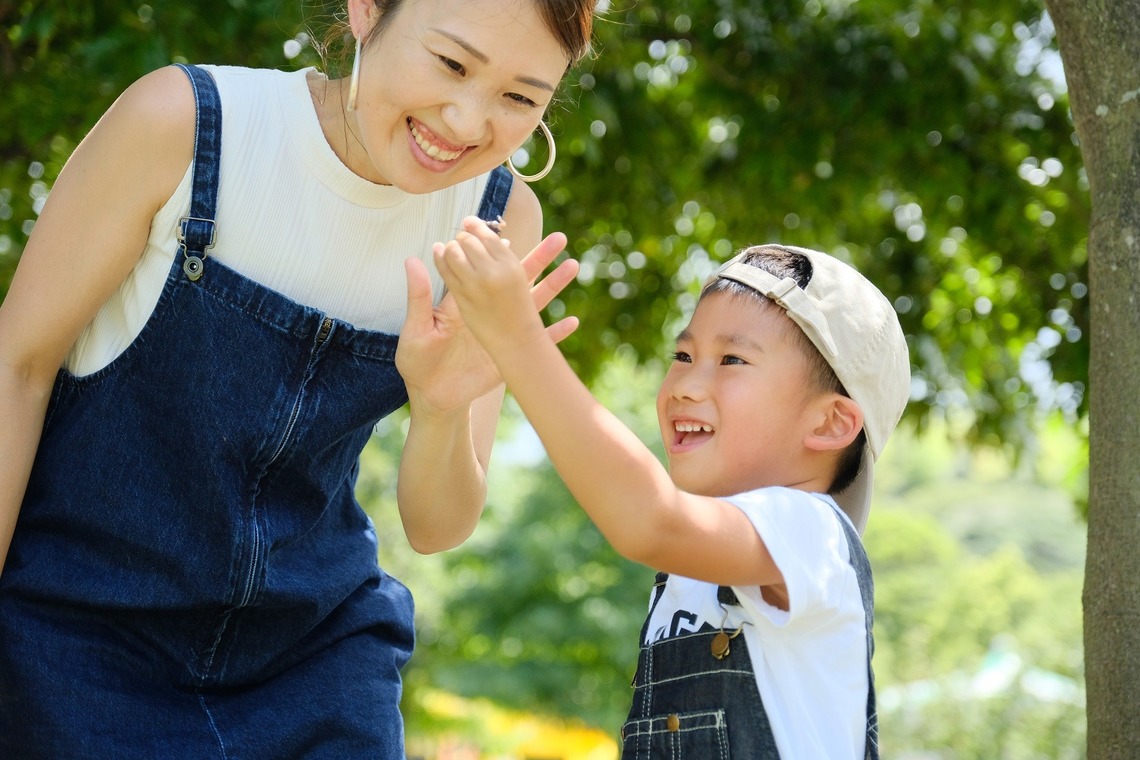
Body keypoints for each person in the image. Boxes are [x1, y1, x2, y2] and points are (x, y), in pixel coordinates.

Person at [0, 0, 595, 756]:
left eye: (519, 98)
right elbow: (15, 370)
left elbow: (437, 526)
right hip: (81, 638)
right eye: (450, 63)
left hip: (317, 656)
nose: (468, 121)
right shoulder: (184, 122)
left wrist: (443, 409)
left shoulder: (498, 224)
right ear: (365, 11)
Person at [434, 226, 911, 758]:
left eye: (732, 361)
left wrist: (516, 337)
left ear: (828, 424)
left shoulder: (813, 536)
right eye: (683, 356)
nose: (685, 384)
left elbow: (650, 519)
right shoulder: (689, 576)